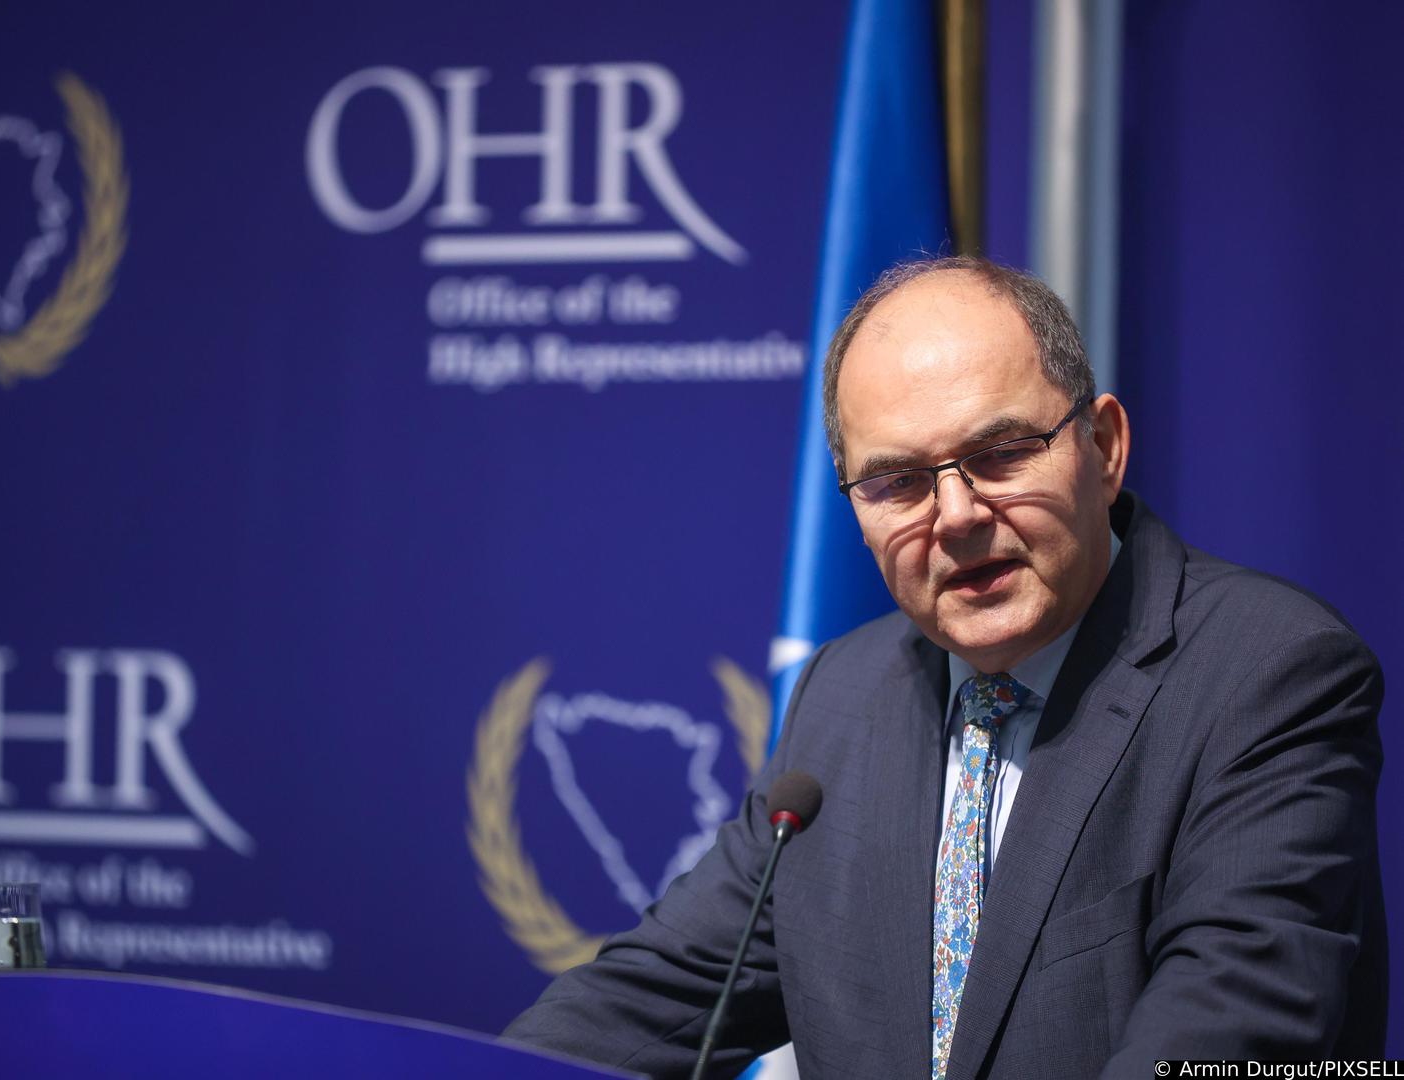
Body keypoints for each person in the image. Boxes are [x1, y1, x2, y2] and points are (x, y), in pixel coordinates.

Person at [503, 256, 1386, 1079]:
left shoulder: (1266, 671)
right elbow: (656, 996)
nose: (956, 516)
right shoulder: (843, 695)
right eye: (897, 481)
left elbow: (1230, 1027)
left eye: (1000, 454)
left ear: (1104, 447)